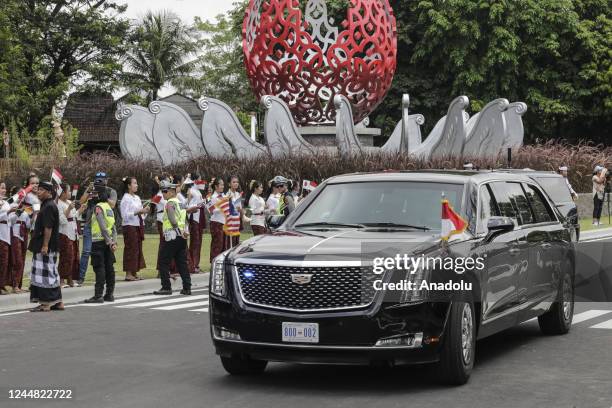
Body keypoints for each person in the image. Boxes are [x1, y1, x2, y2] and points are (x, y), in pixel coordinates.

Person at [28, 181, 63, 312]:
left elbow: (48, 228)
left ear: (49, 192)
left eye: (41, 190)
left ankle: (45, 303)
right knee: (52, 272)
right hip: (49, 246)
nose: (38, 192)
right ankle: (58, 302)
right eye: (38, 189)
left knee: (43, 274)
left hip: (45, 246)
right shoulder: (48, 205)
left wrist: (45, 245)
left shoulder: (48, 206)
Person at [78, 172, 117, 285]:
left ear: (106, 180)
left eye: (102, 180)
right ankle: (81, 277)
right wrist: (88, 190)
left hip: (105, 226)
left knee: (105, 252)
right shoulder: (92, 190)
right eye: (97, 180)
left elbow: (113, 205)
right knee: (86, 251)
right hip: (90, 225)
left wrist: (104, 196)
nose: (99, 182)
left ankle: (103, 277)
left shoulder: (110, 191)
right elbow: (81, 201)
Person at [153, 180, 191, 296]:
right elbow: (186, 220)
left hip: (172, 235)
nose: (163, 193)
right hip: (182, 237)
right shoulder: (181, 203)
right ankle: (187, 287)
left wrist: (176, 229)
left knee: (163, 261)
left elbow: (171, 217)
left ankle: (166, 287)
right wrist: (185, 231)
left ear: (171, 192)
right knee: (182, 263)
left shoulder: (169, 203)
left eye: (165, 191)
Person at [84, 184, 117, 303]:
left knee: (99, 268)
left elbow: (102, 226)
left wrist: (109, 241)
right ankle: (109, 294)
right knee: (110, 268)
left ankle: (98, 295)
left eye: (95, 194)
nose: (93, 195)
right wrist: (113, 242)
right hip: (109, 243)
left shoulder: (98, 207)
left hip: (98, 242)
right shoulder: (109, 208)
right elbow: (113, 227)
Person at [119, 176, 148, 281]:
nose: (136, 185)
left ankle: (134, 272)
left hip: (137, 225)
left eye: (136, 183)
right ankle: (128, 273)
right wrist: (138, 212)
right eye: (134, 183)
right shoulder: (125, 198)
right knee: (131, 249)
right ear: (129, 186)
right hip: (129, 226)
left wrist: (144, 211)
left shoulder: (137, 198)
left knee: (137, 249)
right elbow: (124, 215)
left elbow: (140, 213)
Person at [57, 183, 81, 288]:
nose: (70, 192)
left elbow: (74, 215)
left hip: (73, 231)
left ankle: (70, 279)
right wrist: (69, 209)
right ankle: (61, 280)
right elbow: (61, 220)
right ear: (63, 193)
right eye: (68, 190)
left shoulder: (69, 202)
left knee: (73, 256)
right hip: (64, 232)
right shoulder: (58, 204)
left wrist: (81, 210)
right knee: (65, 256)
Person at [7, 191, 31, 293]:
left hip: (23, 235)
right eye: (20, 196)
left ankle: (19, 285)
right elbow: (10, 221)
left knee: (22, 260)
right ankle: (14, 285)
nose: (22, 199)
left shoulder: (26, 209)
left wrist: (34, 216)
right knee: (17, 261)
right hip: (15, 235)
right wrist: (18, 212)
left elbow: (29, 225)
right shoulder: (11, 207)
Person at [185, 174, 205, 274]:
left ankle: (196, 264)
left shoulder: (198, 191)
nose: (201, 181)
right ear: (195, 180)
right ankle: (191, 265)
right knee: (194, 242)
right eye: (200, 179)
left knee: (198, 242)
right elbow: (187, 204)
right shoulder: (191, 190)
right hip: (193, 218)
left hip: (199, 217)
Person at [208, 177, 226, 262]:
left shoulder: (223, 196)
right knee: (217, 244)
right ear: (216, 186)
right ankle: (214, 262)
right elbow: (211, 210)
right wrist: (222, 207)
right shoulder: (213, 197)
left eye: (223, 184)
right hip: (216, 223)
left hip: (223, 222)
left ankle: (220, 263)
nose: (223, 186)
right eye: (221, 184)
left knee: (222, 245)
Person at [0, 182, 11, 295]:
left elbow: (9, 220)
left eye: (5, 188)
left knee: (4, 262)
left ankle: (2, 284)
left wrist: (16, 213)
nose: (4, 190)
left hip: (6, 234)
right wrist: (7, 212)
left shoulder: (6, 203)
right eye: (2, 188)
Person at [227, 175, 243, 247]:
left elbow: (240, 208)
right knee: (230, 243)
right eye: (234, 182)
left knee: (236, 242)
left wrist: (241, 211)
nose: (236, 183)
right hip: (230, 221)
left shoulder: (238, 194)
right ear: (229, 184)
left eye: (237, 182)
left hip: (237, 220)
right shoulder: (227, 195)